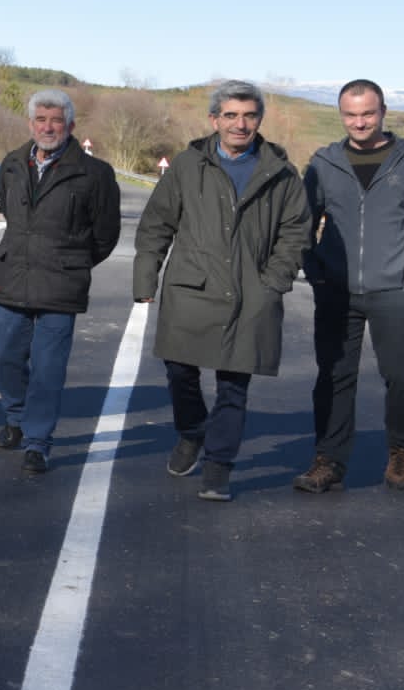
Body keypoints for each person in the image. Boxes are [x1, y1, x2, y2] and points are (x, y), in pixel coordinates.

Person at [133, 80, 310, 502]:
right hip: (190, 287)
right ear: (214, 120)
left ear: (259, 120)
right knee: (180, 372)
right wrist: (146, 278)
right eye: (230, 115)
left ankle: (219, 466)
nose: (239, 124)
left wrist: (273, 283)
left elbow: (296, 233)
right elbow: (157, 222)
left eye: (249, 115)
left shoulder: (282, 173)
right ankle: (191, 431)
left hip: (251, 295)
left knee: (233, 387)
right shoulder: (187, 164)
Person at [294, 78, 404, 493]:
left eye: (367, 113)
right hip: (336, 290)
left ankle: (400, 450)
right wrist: (314, 270)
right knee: (333, 377)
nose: (359, 122)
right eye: (350, 114)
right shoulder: (324, 162)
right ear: (341, 114)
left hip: (394, 290)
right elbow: (302, 223)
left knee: (403, 375)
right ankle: (328, 461)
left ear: (382, 112)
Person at [0, 89, 124, 474]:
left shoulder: (95, 174)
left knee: (49, 369)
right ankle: (14, 419)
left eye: (57, 120)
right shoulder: (13, 163)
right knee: (8, 358)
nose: (48, 127)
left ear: (71, 126)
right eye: (41, 120)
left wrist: (73, 262)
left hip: (62, 285)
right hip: (12, 277)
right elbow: (10, 213)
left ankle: (37, 440)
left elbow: (105, 234)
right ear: (31, 123)